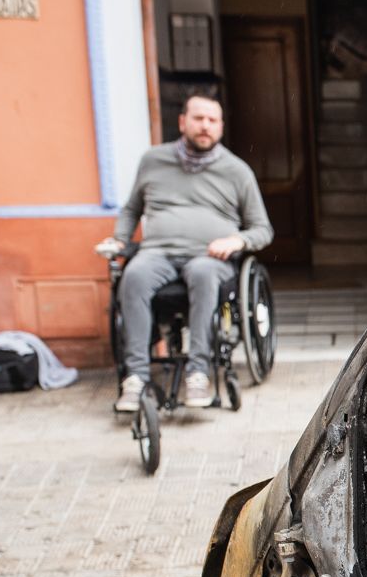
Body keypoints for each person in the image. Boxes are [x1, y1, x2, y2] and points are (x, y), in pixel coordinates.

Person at [96, 93, 273, 412]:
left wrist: (237, 241)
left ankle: (198, 372)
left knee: (204, 275)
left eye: (212, 120)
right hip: (158, 252)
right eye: (198, 118)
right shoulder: (153, 160)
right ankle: (135, 378)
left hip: (209, 258)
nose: (205, 126)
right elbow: (131, 209)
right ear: (182, 122)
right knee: (133, 275)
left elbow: (262, 229)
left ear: (220, 127)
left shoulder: (237, 170)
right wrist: (120, 240)